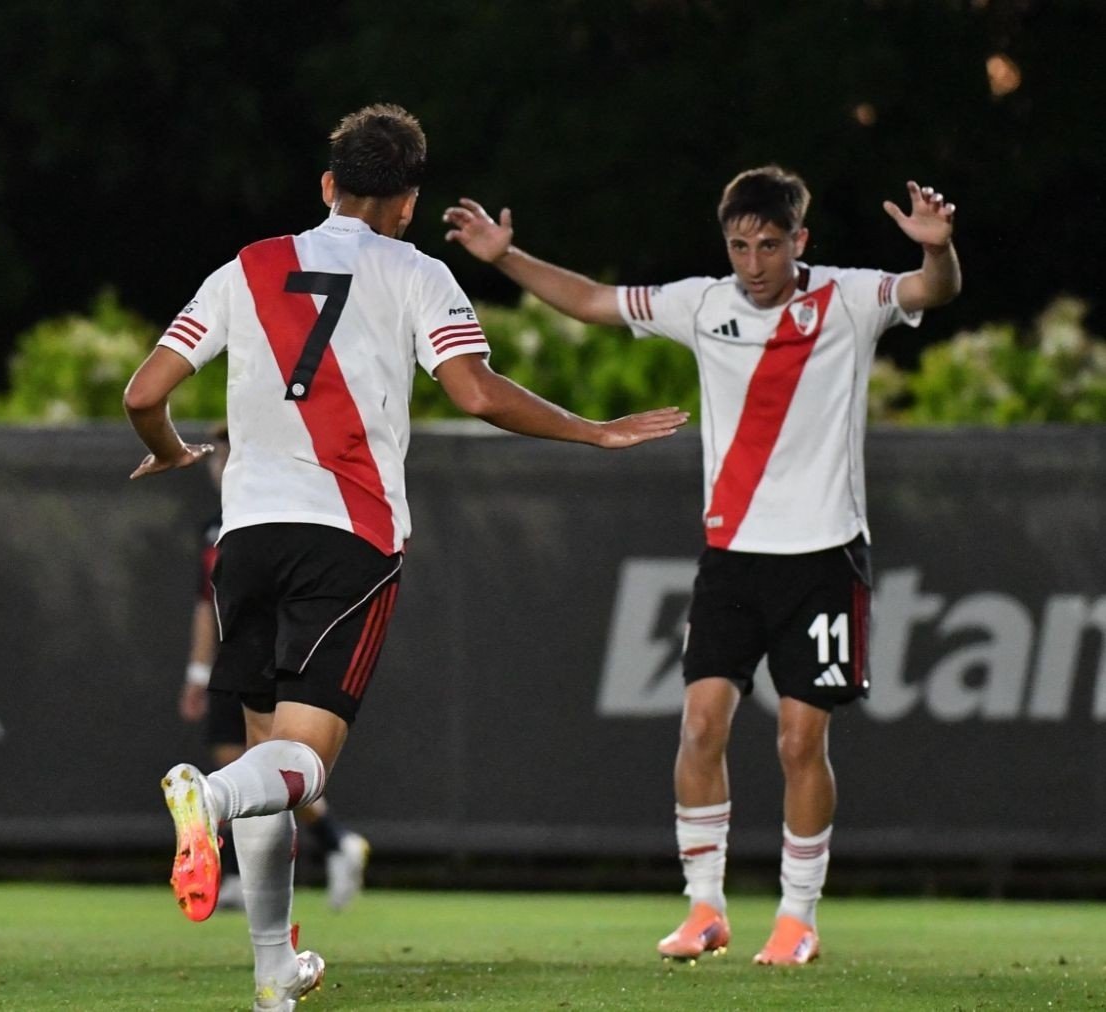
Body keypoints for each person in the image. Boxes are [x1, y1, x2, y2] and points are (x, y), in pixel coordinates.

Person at [124, 102, 687, 1011]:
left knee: (268, 755)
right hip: (347, 537)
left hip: (246, 539)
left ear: (327, 184)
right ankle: (208, 801)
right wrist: (592, 431)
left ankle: (273, 974)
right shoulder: (416, 272)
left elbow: (143, 391)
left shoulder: (247, 266)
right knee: (303, 764)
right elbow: (476, 391)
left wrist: (168, 449)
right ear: (408, 202)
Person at [443, 166, 960, 966]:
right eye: (738, 247)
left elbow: (933, 290)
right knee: (699, 724)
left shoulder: (850, 298)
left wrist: (937, 248)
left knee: (798, 742)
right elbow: (591, 300)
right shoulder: (700, 303)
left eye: (768, 246)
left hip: (824, 556)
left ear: (799, 241)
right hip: (732, 559)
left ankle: (796, 916)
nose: (752, 263)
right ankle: (704, 908)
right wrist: (504, 256)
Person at [179, 424, 370, 914]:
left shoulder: (288, 516)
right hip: (237, 650)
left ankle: (271, 861)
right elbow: (206, 605)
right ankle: (324, 845)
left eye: (229, 453)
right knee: (245, 760)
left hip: (278, 651)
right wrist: (198, 671)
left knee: (265, 762)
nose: (219, 464)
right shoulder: (216, 527)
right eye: (217, 455)